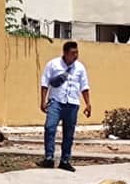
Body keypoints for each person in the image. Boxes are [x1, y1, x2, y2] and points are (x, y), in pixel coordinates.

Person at [38, 41, 92, 171]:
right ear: (65, 53)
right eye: (73, 53)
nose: (76, 55)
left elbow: (84, 86)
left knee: (69, 133)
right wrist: (42, 101)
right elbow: (45, 83)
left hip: (72, 103)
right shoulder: (53, 64)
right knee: (50, 127)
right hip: (56, 101)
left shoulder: (80, 68)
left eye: (77, 52)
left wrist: (88, 103)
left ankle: (65, 160)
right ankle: (49, 158)